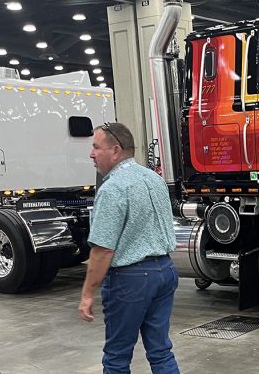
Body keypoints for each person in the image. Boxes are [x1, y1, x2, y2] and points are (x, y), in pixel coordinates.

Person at [78, 122, 180, 374]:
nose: (91, 154)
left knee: (117, 357)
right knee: (160, 351)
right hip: (165, 271)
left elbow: (103, 250)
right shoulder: (154, 179)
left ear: (115, 150)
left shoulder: (113, 188)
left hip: (131, 280)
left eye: (96, 147)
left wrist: (87, 294)